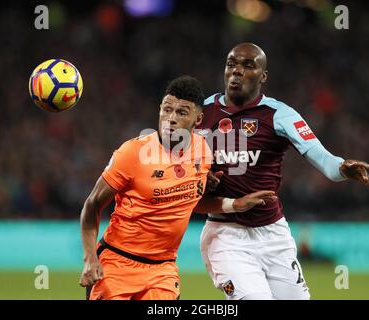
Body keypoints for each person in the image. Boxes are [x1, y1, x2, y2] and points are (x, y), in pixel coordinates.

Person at [195, 43, 369, 300]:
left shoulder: (279, 114)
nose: (237, 71)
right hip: (226, 234)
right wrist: (198, 175)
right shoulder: (202, 112)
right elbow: (178, 166)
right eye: (231, 64)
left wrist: (342, 167)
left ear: (263, 76)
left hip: (273, 235)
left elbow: (325, 162)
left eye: (248, 66)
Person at [79, 75, 276, 300]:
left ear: (198, 119)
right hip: (117, 263)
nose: (171, 119)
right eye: (167, 109)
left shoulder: (203, 152)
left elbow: (189, 201)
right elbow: (92, 205)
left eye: (182, 112)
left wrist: (235, 204)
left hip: (162, 270)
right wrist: (89, 258)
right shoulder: (132, 153)